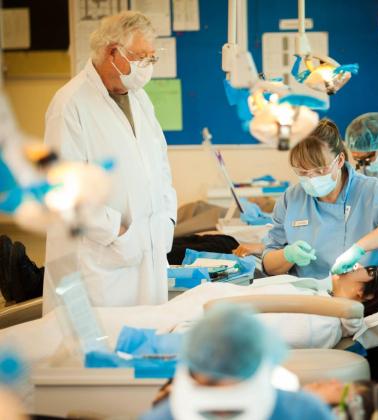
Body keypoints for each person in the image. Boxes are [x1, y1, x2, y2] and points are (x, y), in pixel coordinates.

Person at [42, 11, 176, 312]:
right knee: (101, 350)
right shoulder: (70, 104)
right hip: (101, 259)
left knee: (147, 340)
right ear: (112, 52)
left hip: (148, 250)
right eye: (141, 58)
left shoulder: (139, 98)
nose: (146, 68)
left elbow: (159, 164)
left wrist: (166, 217)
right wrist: (117, 231)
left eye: (151, 59)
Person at [262, 119, 378, 278]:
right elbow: (269, 265)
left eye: (320, 170)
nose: (311, 178)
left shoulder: (370, 191)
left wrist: (359, 248)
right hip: (310, 297)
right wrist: (287, 256)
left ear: (339, 161)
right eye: (302, 172)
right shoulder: (291, 199)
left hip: (370, 297)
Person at [141, 304, 334, 420]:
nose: (222, 400)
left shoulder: (304, 413)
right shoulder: (163, 417)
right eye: (211, 383)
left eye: (234, 383)